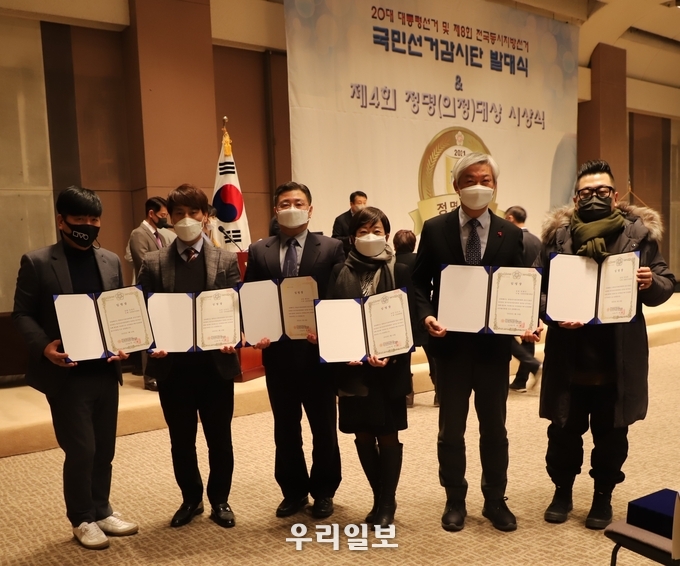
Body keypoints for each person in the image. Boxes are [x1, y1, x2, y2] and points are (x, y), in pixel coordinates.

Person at [536, 160, 675, 530]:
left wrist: (651, 282)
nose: (594, 197)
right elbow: (537, 287)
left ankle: (602, 496)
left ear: (615, 196)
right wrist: (553, 311)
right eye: (586, 192)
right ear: (575, 198)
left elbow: (665, 282)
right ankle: (562, 492)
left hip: (617, 360)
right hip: (569, 358)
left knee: (612, 437)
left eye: (601, 191)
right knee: (563, 435)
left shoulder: (639, 236)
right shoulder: (558, 238)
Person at [13, 186, 137, 550]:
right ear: (61, 220)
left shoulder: (110, 260)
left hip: (105, 371)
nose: (87, 225)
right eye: (79, 218)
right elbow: (22, 313)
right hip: (66, 374)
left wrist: (125, 343)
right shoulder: (37, 262)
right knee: (82, 449)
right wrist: (44, 347)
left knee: (105, 449)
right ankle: (81, 518)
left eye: (94, 219)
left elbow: (119, 310)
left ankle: (101, 508)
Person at [412, 152, 528, 533]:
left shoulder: (510, 233)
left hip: (494, 350)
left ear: (495, 186)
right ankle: (455, 500)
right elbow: (418, 283)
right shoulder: (435, 229)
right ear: (456, 186)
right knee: (451, 429)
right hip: (450, 349)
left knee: (495, 429)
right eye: (470, 180)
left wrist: (525, 320)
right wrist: (426, 315)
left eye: (486, 180)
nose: (479, 186)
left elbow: (519, 284)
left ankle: (495, 499)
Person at [137, 183, 242, 530]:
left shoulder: (226, 259)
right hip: (173, 368)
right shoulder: (153, 262)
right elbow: (142, 312)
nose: (186, 219)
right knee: (181, 441)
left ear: (206, 216)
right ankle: (191, 499)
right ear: (169, 217)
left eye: (193, 212)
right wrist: (150, 343)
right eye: (178, 213)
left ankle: (220, 499)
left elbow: (236, 307)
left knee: (219, 439)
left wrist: (235, 337)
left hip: (216, 366)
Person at [244, 182, 344, 519]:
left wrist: (328, 330)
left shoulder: (331, 248)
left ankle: (324, 491)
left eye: (298, 203)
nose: (292, 208)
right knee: (285, 428)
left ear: (310, 209)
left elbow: (340, 297)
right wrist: (255, 332)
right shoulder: (259, 250)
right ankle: (294, 491)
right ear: (276, 210)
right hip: (278, 355)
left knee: (323, 428)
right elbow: (251, 296)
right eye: (285, 203)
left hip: (318, 355)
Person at [327, 208, 413, 527]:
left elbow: (408, 319)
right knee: (362, 433)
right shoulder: (339, 270)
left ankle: (387, 502)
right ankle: (378, 497)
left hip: (388, 368)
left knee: (387, 433)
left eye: (376, 230)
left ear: (387, 235)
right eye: (362, 231)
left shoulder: (400, 270)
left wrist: (390, 353)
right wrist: (339, 348)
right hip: (351, 369)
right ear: (352, 237)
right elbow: (333, 314)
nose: (369, 236)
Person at [128, 196, 173, 390]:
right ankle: (149, 377)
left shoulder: (160, 235)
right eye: (162, 214)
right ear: (151, 213)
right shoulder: (138, 234)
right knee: (150, 335)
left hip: (162, 292)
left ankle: (161, 372)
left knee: (161, 332)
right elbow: (143, 262)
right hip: (148, 290)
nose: (165, 218)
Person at [393, 229, 435, 407]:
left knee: (404, 358)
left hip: (400, 314)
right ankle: (439, 393)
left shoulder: (391, 262)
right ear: (413, 244)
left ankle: (407, 396)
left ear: (394, 245)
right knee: (432, 354)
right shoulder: (420, 259)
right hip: (422, 311)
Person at [504, 205, 543, 392]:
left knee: (503, 335)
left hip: (514, 294)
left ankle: (533, 366)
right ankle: (521, 380)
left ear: (510, 218)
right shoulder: (537, 240)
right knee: (529, 337)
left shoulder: (512, 239)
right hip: (534, 294)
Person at [332, 191, 368, 256]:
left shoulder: (368, 218)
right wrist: (350, 240)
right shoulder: (341, 219)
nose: (363, 205)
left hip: (366, 254)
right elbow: (335, 239)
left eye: (364, 203)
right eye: (359, 203)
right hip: (348, 255)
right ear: (351, 204)